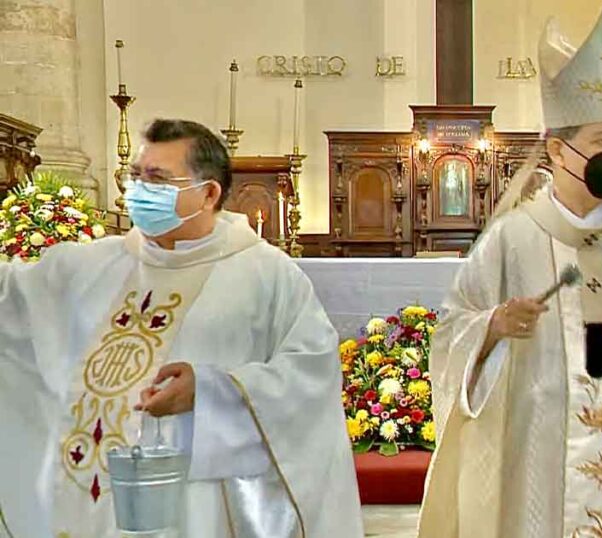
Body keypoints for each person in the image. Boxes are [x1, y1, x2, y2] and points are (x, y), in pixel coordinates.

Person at [418, 9, 602, 538]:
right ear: (558, 149)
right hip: (541, 450)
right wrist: (493, 325)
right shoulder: (513, 238)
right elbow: (452, 330)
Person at [0, 119, 363, 537]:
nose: (138, 191)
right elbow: (12, 305)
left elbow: (311, 373)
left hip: (204, 504)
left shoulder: (266, 275)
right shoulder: (89, 265)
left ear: (208, 193)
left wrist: (209, 391)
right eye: (135, 176)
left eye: (156, 179)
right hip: (92, 502)